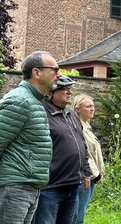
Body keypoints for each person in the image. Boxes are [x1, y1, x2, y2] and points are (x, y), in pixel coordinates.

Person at [0, 51, 58, 224]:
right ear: (36, 72)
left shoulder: (33, 101)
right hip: (11, 189)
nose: (59, 74)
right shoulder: (20, 102)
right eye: (54, 70)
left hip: (24, 188)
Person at [33, 75, 91, 224]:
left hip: (72, 186)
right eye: (64, 89)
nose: (69, 92)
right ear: (49, 94)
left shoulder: (71, 115)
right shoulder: (41, 114)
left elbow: (82, 144)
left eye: (70, 89)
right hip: (50, 187)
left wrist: (86, 172)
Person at [71, 94, 105, 224]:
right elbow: (84, 153)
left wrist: (99, 173)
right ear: (78, 109)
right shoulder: (77, 127)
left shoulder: (86, 126)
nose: (93, 109)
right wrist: (95, 174)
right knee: (77, 216)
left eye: (93, 106)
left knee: (81, 213)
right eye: (88, 106)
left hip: (91, 177)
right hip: (84, 177)